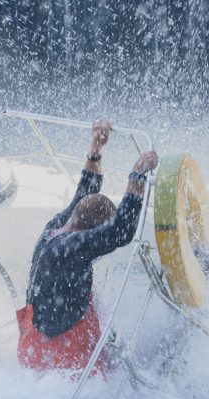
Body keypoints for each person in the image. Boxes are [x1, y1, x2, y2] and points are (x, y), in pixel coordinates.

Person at [17, 119, 159, 374]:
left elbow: (85, 192)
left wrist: (96, 148)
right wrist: (137, 175)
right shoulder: (71, 248)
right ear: (91, 232)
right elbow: (121, 231)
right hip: (61, 357)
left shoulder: (55, 227)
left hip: (30, 349)